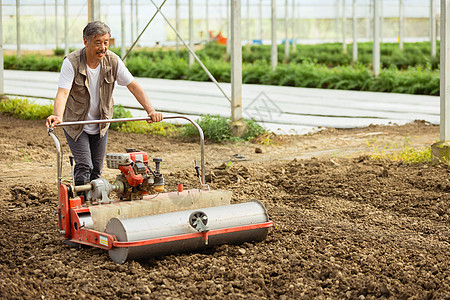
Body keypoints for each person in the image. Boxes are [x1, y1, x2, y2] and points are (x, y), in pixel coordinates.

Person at [46, 21, 163, 187]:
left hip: (101, 123)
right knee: (85, 165)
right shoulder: (71, 62)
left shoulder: (113, 61)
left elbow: (133, 85)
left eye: (106, 42)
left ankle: (94, 201)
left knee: (97, 168)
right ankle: (81, 203)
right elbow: (63, 92)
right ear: (86, 42)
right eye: (98, 42)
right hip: (77, 123)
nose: (103, 47)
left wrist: (151, 110)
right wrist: (58, 116)